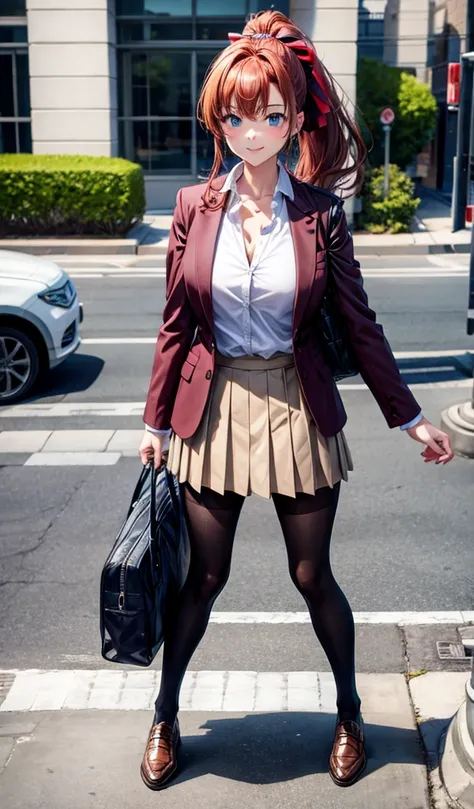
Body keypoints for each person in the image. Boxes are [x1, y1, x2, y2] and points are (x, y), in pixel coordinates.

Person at [138, 9, 454, 791]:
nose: (254, 131)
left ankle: (349, 713)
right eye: (239, 115)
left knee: (312, 574)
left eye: (270, 115)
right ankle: (164, 716)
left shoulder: (320, 213)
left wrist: (410, 417)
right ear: (221, 118)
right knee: (201, 579)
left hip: (295, 403)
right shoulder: (192, 209)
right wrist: (152, 422)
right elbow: (176, 323)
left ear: (292, 118)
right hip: (211, 410)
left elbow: (359, 321)